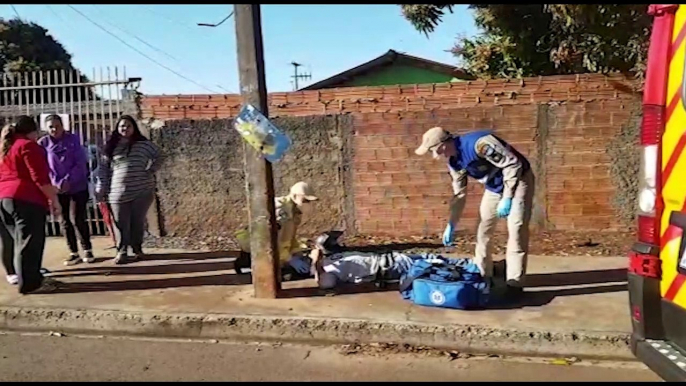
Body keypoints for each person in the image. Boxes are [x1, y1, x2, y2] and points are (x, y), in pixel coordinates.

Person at [414, 127, 535, 300]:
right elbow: (459, 195)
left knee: (516, 229)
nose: (435, 154)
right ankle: (484, 276)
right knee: (483, 230)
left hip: (519, 180)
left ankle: (515, 283)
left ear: (442, 145)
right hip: (494, 187)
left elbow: (513, 164)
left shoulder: (480, 144)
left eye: (433, 150)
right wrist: (451, 224)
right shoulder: (455, 162)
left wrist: (508, 197)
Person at [0, 116, 62, 294]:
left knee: (19, 242)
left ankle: (29, 278)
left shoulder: (7, 146)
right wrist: (54, 201)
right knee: (30, 243)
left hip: (5, 199)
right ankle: (30, 284)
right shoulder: (28, 146)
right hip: (26, 199)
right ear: (32, 131)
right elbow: (40, 178)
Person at [95, 115, 164, 265]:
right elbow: (103, 169)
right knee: (120, 223)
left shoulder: (144, 145)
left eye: (128, 126)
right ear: (117, 128)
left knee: (137, 222)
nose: (125, 129)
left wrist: (151, 170)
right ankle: (122, 251)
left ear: (134, 128)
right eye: (122, 126)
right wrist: (101, 187)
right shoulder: (111, 147)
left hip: (142, 191)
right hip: (117, 192)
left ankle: (137, 249)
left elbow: (160, 156)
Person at [38, 114, 94, 266]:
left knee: (77, 218)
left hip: (77, 186)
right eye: (51, 127)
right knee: (64, 220)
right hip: (57, 188)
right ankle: (73, 252)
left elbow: (80, 163)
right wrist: (54, 182)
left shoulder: (73, 140)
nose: (54, 129)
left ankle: (87, 249)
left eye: (57, 126)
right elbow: (41, 166)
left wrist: (68, 180)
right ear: (46, 128)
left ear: (63, 126)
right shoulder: (43, 143)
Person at [234, 181, 318, 275]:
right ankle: (247, 264)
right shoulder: (280, 210)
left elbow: (290, 237)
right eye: (305, 200)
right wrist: (290, 260)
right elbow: (271, 239)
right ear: (294, 196)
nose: (307, 203)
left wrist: (296, 253)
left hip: (279, 251)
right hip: (261, 248)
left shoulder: (294, 212)